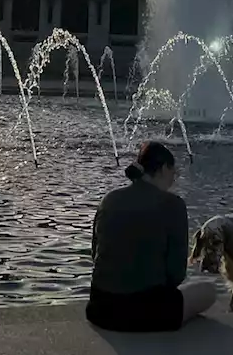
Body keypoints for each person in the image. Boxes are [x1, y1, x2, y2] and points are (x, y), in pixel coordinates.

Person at [86, 141, 217, 332]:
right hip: (146, 314)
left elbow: (95, 254)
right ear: (164, 168)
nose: (174, 180)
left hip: (99, 309)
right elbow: (176, 274)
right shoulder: (173, 204)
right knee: (208, 291)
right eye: (174, 174)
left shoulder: (109, 199)